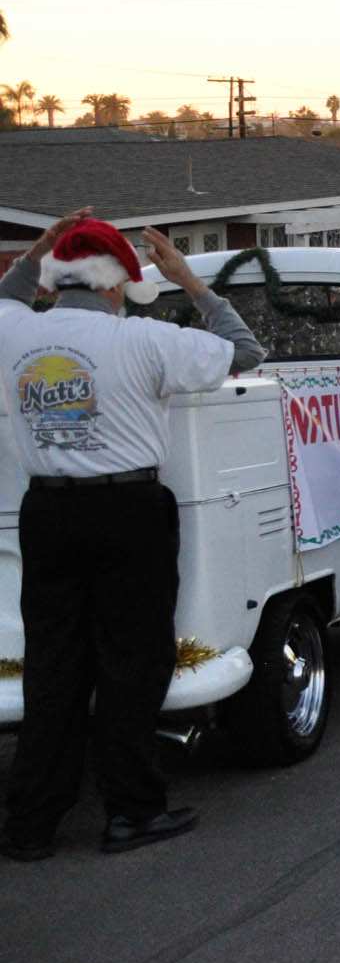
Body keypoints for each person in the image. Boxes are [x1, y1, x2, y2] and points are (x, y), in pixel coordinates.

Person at [0, 211, 260, 860]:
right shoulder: (143, 339)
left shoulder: (13, 330)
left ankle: (30, 824)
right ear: (117, 283)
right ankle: (131, 811)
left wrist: (38, 248)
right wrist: (191, 284)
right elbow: (247, 351)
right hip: (129, 510)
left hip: (47, 514)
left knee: (52, 668)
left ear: (56, 280)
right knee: (131, 664)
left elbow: (8, 293)